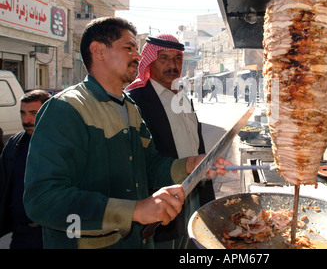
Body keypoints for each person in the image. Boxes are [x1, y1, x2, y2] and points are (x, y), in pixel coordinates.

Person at [22, 17, 230, 249]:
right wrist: (135, 210)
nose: (138, 56)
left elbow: (149, 166)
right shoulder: (67, 109)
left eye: (137, 49)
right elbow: (43, 200)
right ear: (98, 51)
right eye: (129, 48)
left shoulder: (130, 108)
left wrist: (192, 164)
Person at [126, 34, 215, 248]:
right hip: (162, 198)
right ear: (150, 61)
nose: (172, 64)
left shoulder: (183, 96)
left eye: (177, 58)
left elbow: (196, 143)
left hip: (193, 191)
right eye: (164, 57)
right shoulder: (136, 100)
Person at [0, 90, 51, 249]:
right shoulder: (15, 144)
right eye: (22, 113)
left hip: (50, 233)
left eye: (33, 113)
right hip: (21, 233)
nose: (26, 120)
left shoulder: (62, 145)